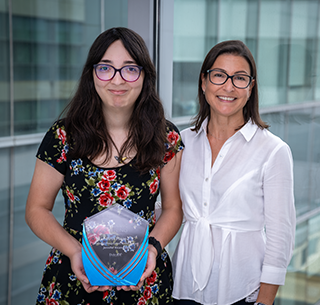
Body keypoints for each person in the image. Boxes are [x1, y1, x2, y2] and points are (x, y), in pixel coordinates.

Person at [25, 27, 184, 305]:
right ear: (92, 74)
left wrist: (153, 250)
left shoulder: (166, 137)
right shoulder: (63, 136)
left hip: (142, 280)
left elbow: (172, 209)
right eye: (106, 68)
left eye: (130, 69)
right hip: (74, 277)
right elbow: (36, 209)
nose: (117, 80)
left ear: (144, 75)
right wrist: (75, 251)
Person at [172, 40, 296, 305]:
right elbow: (169, 209)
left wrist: (264, 301)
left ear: (250, 88)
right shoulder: (181, 142)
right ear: (204, 82)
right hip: (183, 286)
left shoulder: (273, 150)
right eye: (219, 75)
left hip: (243, 290)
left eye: (240, 78)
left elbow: (280, 236)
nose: (228, 86)